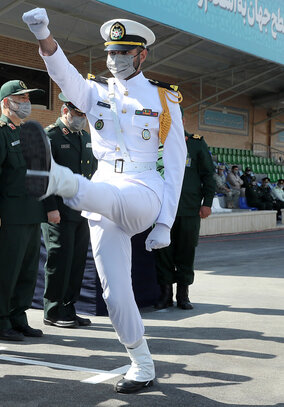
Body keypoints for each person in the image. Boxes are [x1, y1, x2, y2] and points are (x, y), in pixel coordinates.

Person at [21, 9, 186, 393]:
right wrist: (44, 35)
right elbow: (63, 75)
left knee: (112, 196)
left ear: (142, 56)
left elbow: (176, 164)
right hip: (103, 186)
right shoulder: (96, 92)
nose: (115, 60)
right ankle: (141, 363)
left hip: (144, 188)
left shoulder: (164, 99)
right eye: (111, 53)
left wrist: (165, 222)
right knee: (114, 293)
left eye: (124, 53)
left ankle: (60, 181)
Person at [0, 80, 46, 341]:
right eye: (20, 99)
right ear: (6, 103)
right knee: (6, 270)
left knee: (27, 271)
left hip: (31, 213)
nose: (26, 103)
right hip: (9, 215)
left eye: (27, 98)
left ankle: (18, 317)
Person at [41, 93, 96, 328]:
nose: (81, 119)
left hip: (81, 211)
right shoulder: (50, 135)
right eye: (78, 114)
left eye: (84, 115)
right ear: (65, 111)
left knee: (76, 263)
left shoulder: (85, 138)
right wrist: (50, 208)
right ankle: (53, 310)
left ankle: (69, 307)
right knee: (59, 261)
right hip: (59, 211)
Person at [154, 117, 215, 311]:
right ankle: (165, 295)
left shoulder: (196, 143)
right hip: (162, 210)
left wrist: (207, 203)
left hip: (189, 209)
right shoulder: (155, 143)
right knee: (162, 252)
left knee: (186, 252)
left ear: (182, 120)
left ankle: (183, 295)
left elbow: (208, 174)